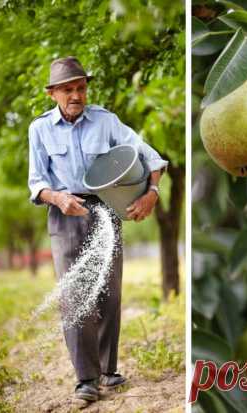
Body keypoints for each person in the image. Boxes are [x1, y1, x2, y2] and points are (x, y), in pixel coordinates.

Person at [27, 56, 168, 403]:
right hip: (64, 212)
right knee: (75, 295)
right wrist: (57, 199)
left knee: (109, 292)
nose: (76, 95)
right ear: (52, 93)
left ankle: (108, 370)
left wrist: (152, 193)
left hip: (103, 208)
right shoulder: (39, 129)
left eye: (81, 88)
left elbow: (151, 156)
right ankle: (85, 379)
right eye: (68, 89)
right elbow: (36, 183)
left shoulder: (106, 122)